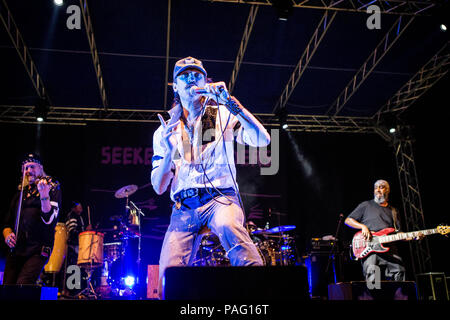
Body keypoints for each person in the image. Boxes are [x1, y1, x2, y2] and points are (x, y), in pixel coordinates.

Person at [151, 57, 271, 296]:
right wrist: (167, 153)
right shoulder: (166, 129)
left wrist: (232, 103)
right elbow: (159, 187)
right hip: (183, 206)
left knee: (229, 227)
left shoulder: (221, 113)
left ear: (206, 81)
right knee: (168, 275)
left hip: (220, 198)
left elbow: (264, 140)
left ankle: (262, 296)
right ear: (174, 85)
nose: (191, 79)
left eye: (197, 74)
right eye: (184, 75)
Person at [2, 153, 62, 285]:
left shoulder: (52, 188)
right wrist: (7, 235)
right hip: (17, 249)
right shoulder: (20, 194)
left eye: (32, 167)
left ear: (40, 167)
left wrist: (44, 195)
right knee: (7, 286)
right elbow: (7, 223)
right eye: (26, 168)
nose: (29, 171)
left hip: (38, 249)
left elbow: (49, 220)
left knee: (23, 284)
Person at [345, 179, 408, 283]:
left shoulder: (394, 211)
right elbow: (348, 220)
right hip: (370, 247)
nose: (378, 190)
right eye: (376, 188)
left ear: (388, 190)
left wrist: (412, 236)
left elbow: (398, 232)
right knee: (373, 279)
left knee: (400, 270)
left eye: (381, 187)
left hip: (388, 246)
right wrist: (362, 227)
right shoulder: (366, 205)